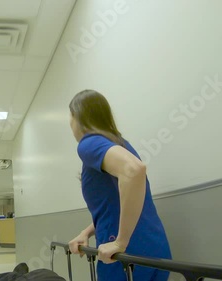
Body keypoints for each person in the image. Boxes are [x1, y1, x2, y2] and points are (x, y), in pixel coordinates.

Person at [67, 90, 172, 281]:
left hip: (125, 257)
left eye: (70, 118)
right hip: (155, 248)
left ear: (78, 117)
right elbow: (115, 203)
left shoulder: (88, 143)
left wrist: (120, 242)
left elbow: (134, 170)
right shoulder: (120, 143)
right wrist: (87, 232)